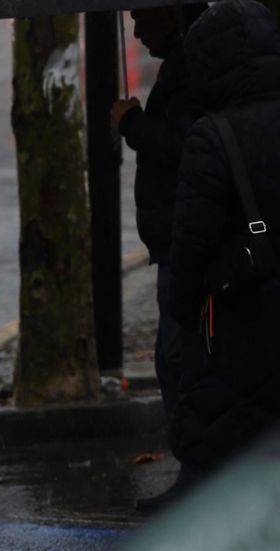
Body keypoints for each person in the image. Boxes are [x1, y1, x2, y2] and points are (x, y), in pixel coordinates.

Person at [166, 0, 280, 502]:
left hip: (243, 317)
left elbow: (191, 245)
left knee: (236, 446)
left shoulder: (213, 137)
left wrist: (182, 307)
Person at [107, 4, 206, 512]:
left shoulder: (194, 64)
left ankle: (198, 476)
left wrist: (134, 124)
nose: (136, 29)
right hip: (177, 239)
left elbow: (187, 146)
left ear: (174, 13)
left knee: (179, 359)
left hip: (188, 241)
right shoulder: (184, 59)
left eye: (143, 16)